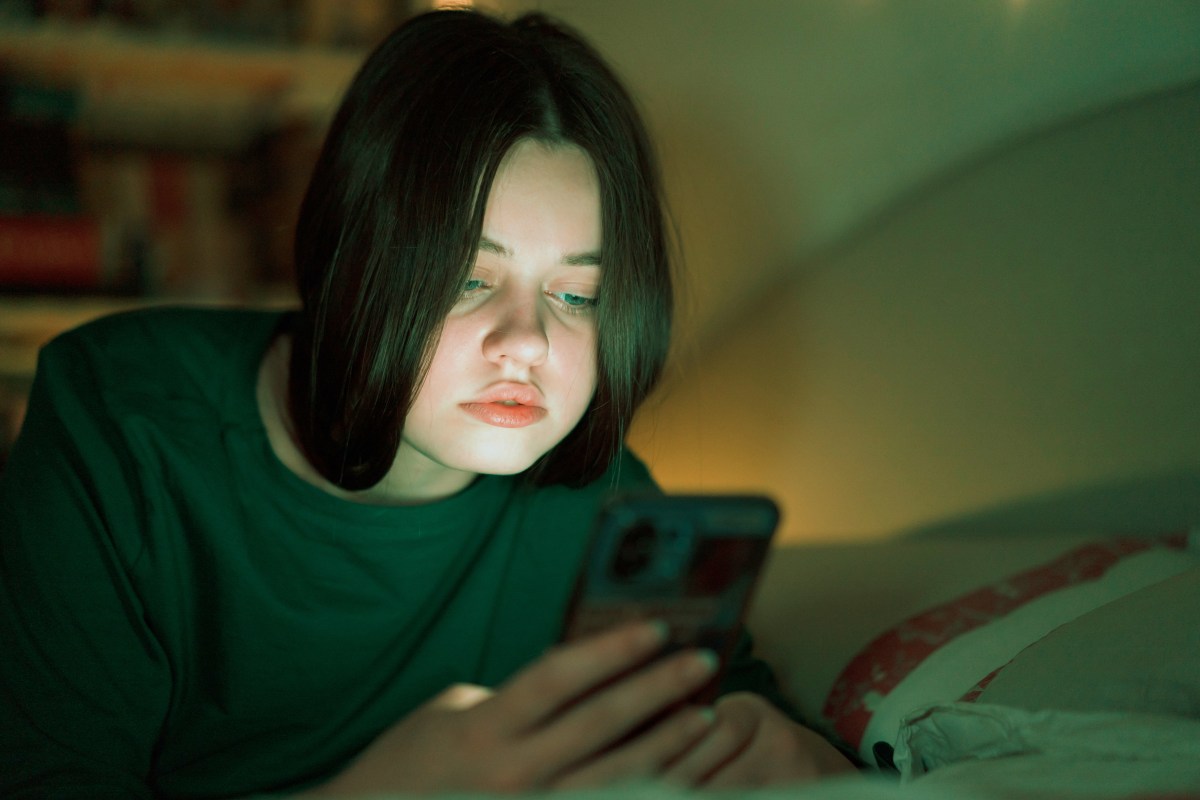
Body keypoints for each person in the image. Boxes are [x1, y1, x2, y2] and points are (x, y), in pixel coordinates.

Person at [0, 9, 853, 798]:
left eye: (577, 296)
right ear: (351, 256)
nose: (527, 342)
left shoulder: (610, 506)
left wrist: (796, 759)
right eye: (468, 279)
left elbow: (746, 719)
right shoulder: (118, 424)